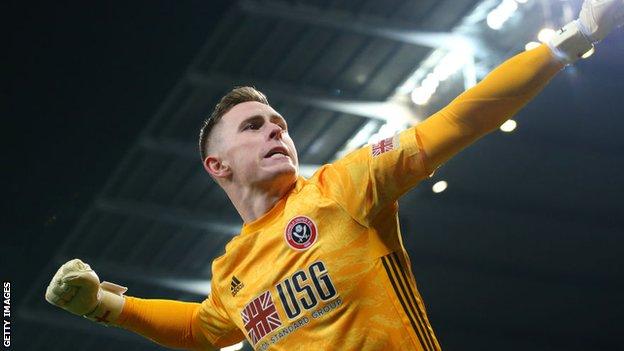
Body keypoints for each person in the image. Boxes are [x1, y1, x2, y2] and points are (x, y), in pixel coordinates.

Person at [45, 1, 623, 350]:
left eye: (279, 123)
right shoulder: (233, 274)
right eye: (253, 127)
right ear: (216, 166)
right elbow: (203, 329)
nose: (276, 131)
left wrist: (565, 45)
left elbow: (455, 122)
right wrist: (104, 305)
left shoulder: (342, 189)